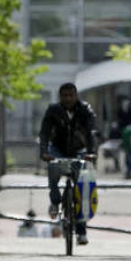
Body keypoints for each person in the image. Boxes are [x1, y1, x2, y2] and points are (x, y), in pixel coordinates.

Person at [39, 82, 97, 245]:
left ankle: (81, 231)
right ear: (60, 97)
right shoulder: (53, 110)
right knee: (53, 168)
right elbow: (44, 133)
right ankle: (55, 201)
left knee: (82, 187)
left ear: (76, 95)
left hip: (80, 150)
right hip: (57, 149)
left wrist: (91, 152)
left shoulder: (85, 110)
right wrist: (44, 152)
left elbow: (92, 132)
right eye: (65, 95)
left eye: (71, 95)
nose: (68, 98)